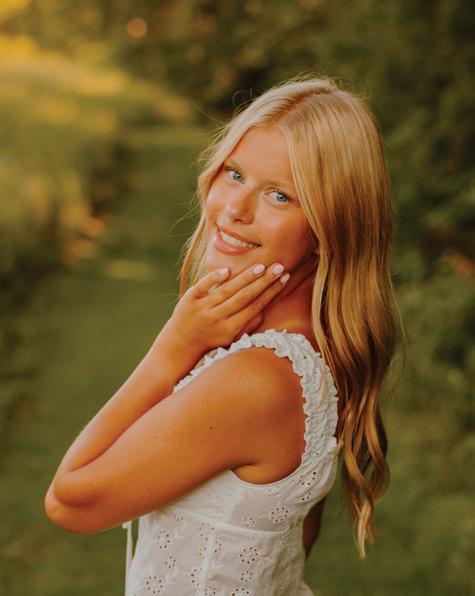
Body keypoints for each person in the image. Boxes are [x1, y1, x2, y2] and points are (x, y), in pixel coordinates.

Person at [44, 75, 401, 595]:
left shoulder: (257, 378)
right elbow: (297, 537)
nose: (235, 208)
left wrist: (172, 349)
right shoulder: (322, 346)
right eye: (235, 174)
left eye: (279, 195)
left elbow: (69, 503)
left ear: (330, 228)